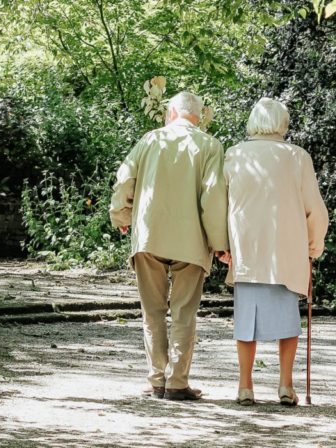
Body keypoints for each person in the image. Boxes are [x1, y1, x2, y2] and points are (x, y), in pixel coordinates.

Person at [109, 91, 228, 401]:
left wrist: (121, 215)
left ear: (172, 111)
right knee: (184, 313)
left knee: (152, 312)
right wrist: (219, 244)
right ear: (198, 117)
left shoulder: (149, 140)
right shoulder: (210, 146)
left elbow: (124, 181)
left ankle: (157, 379)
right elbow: (213, 197)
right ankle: (177, 383)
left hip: (149, 236)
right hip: (191, 241)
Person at [220, 98, 329, 406]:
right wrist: (313, 245)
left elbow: (221, 205)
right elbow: (316, 210)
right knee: (288, 321)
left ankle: (245, 386)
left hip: (248, 249)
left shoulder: (235, 155)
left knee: (245, 322)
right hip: (286, 251)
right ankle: (285, 384)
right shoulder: (297, 157)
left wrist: (222, 245)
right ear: (284, 123)